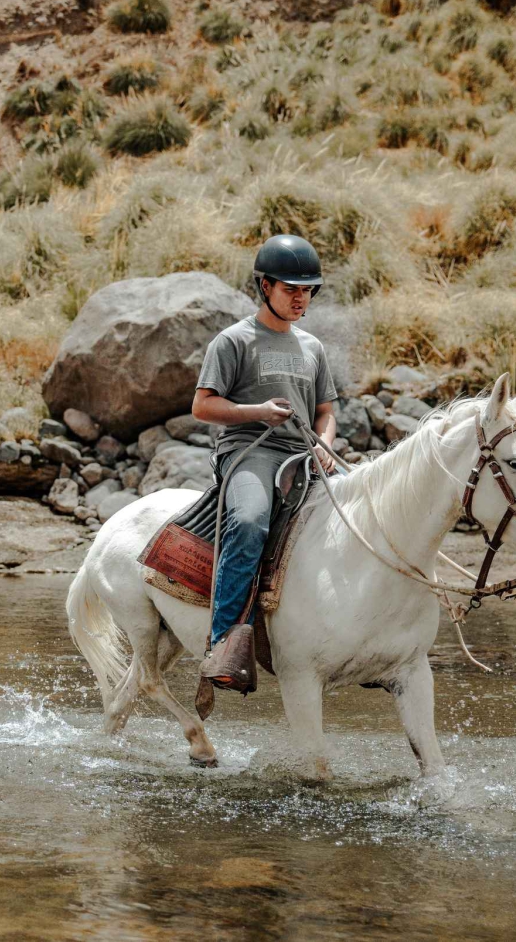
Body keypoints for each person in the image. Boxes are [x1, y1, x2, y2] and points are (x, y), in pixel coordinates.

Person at [192, 234, 338, 691]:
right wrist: (256, 411)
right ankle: (224, 643)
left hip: (304, 455)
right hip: (250, 451)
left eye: (307, 290)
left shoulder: (313, 347)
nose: (301, 299)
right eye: (291, 289)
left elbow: (325, 412)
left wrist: (325, 444)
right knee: (250, 520)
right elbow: (202, 406)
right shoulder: (232, 341)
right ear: (265, 286)